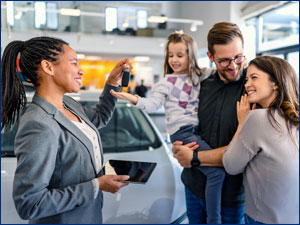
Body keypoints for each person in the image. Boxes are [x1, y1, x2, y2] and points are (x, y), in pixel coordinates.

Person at [1, 36, 132, 224]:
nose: (81, 71)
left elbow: (99, 118)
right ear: (48, 67)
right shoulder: (38, 124)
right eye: (74, 63)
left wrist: (111, 82)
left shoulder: (68, 104)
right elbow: (29, 203)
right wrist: (96, 185)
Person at [110, 32, 222, 224]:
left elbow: (220, 71)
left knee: (211, 173)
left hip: (197, 131)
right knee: (216, 173)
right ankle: (215, 220)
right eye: (171, 55)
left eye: (180, 55)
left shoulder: (199, 76)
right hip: (183, 132)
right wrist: (132, 98)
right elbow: (152, 104)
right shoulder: (166, 83)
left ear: (191, 56)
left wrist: (244, 65)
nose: (174, 60)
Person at [172, 22, 247, 224]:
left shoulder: (251, 87)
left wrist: (194, 158)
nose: (233, 66)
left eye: (238, 57)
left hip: (231, 196)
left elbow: (243, 152)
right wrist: (180, 146)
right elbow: (184, 124)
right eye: (223, 61)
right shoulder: (199, 85)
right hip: (194, 187)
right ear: (211, 57)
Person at [223, 56, 299, 224]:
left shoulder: (258, 118)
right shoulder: (293, 119)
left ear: (275, 83)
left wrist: (242, 123)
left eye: (254, 78)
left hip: (262, 219)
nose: (247, 84)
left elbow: (230, 165)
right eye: (247, 78)